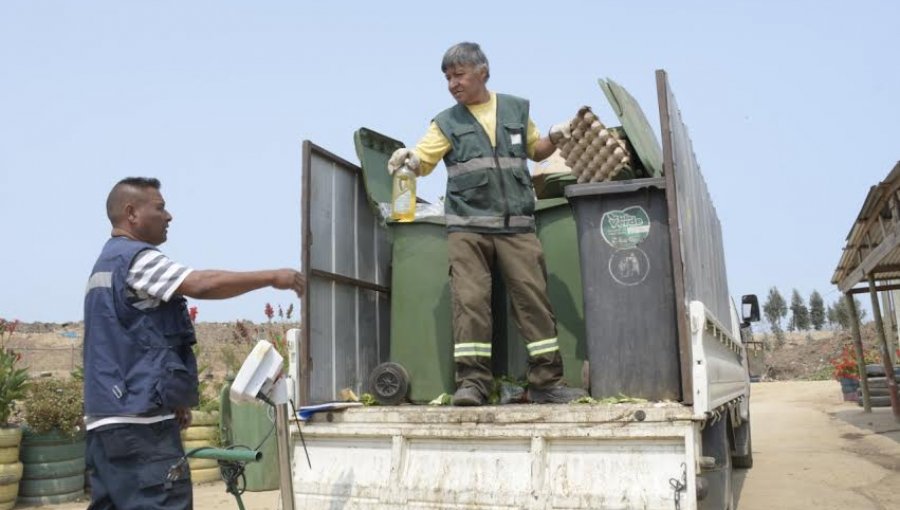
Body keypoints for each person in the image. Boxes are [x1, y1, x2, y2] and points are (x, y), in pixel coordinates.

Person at [83, 177, 305, 509]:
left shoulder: (105, 265)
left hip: (107, 424)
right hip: (140, 427)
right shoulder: (137, 258)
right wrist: (273, 277)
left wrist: (174, 399)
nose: (168, 216)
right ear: (131, 213)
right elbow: (201, 283)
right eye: (159, 208)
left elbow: (128, 345)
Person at [387, 42, 586, 406]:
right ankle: (473, 384)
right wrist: (408, 159)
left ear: (482, 71)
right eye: (447, 77)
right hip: (467, 226)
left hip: (517, 226)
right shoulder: (445, 122)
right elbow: (423, 159)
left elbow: (535, 150)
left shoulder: (514, 109)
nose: (453, 83)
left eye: (459, 74)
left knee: (534, 302)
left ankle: (545, 383)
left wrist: (557, 135)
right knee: (471, 303)